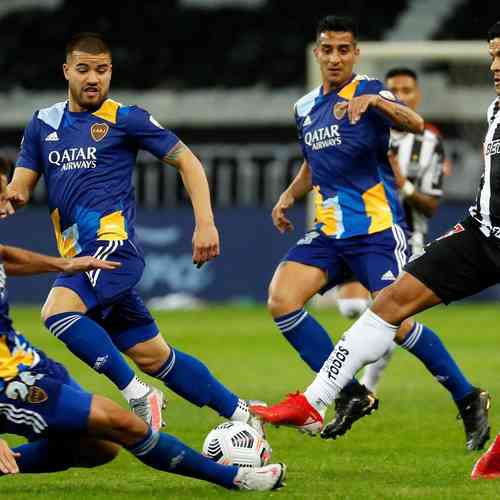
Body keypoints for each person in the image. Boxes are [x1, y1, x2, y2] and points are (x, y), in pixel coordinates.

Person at [254, 20, 500, 454]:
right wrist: (289, 196)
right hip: (330, 233)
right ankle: (349, 393)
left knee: (396, 319)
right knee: (281, 299)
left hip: (375, 232)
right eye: (327, 50)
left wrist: (377, 104)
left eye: (343, 50)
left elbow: (414, 121)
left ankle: (466, 395)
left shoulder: (371, 91)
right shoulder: (305, 107)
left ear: (355, 53)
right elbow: (313, 162)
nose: (334, 58)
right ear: (317, 53)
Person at [3, 33, 262, 433]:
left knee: (56, 313)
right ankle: (242, 414)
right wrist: (7, 199)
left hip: (112, 249)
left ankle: (139, 394)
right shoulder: (43, 124)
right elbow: (19, 190)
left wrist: (205, 222)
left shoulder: (127, 119)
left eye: (102, 70)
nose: (94, 78)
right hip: (78, 255)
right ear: (66, 71)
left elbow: (188, 162)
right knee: (154, 356)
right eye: (84, 69)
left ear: (110, 73)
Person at [0, 214, 285, 489]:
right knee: (120, 421)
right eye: (0, 196)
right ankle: (236, 479)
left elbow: (5, 256)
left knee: (101, 447)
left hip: (24, 360)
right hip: (7, 382)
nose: (7, 205)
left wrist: (63, 265)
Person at [355, 67, 448, 392]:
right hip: (364, 234)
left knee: (383, 314)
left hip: (408, 238)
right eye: (395, 90)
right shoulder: (369, 131)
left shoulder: (430, 141)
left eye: (408, 90)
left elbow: (431, 206)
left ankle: (366, 387)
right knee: (355, 307)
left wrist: (402, 185)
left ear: (417, 95)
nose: (403, 96)